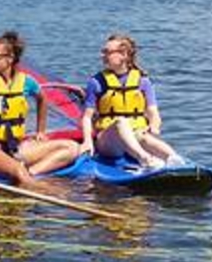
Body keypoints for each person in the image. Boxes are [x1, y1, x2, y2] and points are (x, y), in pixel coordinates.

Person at [0, 30, 79, 187]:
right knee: (19, 171)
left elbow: (42, 98)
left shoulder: (26, 82)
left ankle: (31, 173)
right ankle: (54, 200)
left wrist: (41, 131)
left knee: (72, 148)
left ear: (10, 59)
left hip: (16, 148)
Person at [78, 33, 183, 169]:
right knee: (121, 122)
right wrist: (87, 141)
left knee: (143, 136)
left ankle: (175, 160)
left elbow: (153, 113)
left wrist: (154, 127)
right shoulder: (96, 82)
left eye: (107, 52)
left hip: (136, 134)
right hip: (108, 142)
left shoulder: (143, 81)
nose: (102, 56)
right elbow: (87, 117)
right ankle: (144, 159)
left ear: (124, 55)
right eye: (103, 52)